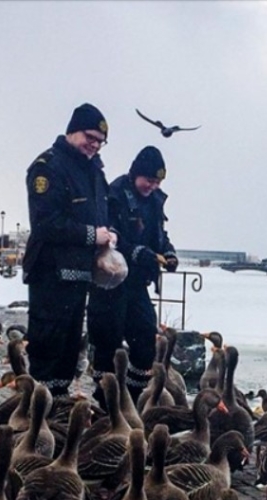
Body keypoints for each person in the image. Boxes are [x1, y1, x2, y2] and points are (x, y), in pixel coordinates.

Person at [22, 103, 115, 396]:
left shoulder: (94, 173)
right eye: (90, 137)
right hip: (51, 274)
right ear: (72, 131)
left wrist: (110, 235)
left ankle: (58, 419)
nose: (95, 145)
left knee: (68, 352)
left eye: (100, 142)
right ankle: (37, 419)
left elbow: (103, 217)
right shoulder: (48, 167)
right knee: (47, 349)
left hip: (79, 276)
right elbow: (45, 224)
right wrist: (92, 235)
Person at [87, 145, 178, 403]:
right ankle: (106, 401)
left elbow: (159, 236)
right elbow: (110, 235)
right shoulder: (114, 194)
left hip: (137, 284)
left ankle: (131, 398)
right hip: (111, 282)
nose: (153, 185)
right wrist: (138, 253)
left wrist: (168, 252)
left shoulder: (155, 201)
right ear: (136, 173)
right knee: (108, 341)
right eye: (149, 180)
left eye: (157, 181)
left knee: (145, 340)